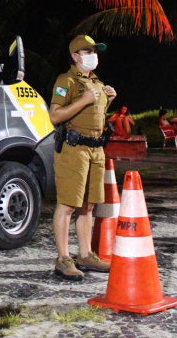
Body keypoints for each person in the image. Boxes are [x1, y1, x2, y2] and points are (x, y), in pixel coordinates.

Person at [49, 35, 116, 281]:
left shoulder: (96, 81)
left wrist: (108, 100)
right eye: (87, 52)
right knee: (67, 205)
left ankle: (85, 255)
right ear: (76, 56)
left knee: (88, 205)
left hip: (96, 149)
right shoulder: (66, 80)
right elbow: (55, 116)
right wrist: (84, 99)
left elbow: (94, 115)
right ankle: (63, 259)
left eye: (94, 51)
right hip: (74, 150)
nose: (93, 55)